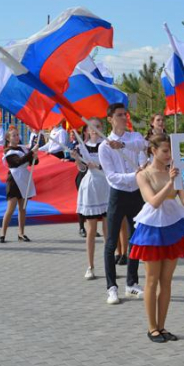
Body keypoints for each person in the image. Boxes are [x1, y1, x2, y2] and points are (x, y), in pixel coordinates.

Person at [129, 134, 184, 342]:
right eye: (165, 151)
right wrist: (170, 182)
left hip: (171, 226)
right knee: (152, 280)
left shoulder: (175, 173)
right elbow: (153, 201)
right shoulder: (143, 174)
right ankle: (152, 327)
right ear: (153, 151)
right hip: (152, 228)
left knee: (166, 281)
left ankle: (162, 326)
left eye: (170, 151)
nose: (169, 155)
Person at [98, 103, 147, 304]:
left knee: (136, 240)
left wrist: (124, 147)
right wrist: (134, 175)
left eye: (124, 114)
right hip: (118, 195)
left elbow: (143, 147)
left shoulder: (133, 138)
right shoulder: (104, 146)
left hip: (135, 194)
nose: (123, 118)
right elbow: (112, 177)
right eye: (118, 115)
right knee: (111, 243)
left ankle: (131, 284)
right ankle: (111, 287)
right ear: (110, 119)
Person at [73, 118, 110, 279]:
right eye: (91, 127)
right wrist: (76, 158)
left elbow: (111, 166)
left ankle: (109, 266)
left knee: (108, 230)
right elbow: (81, 168)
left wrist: (99, 166)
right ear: (87, 130)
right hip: (90, 187)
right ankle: (90, 266)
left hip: (106, 186)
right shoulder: (82, 147)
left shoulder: (107, 145)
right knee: (91, 230)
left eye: (97, 127)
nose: (94, 129)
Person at [0, 129, 38, 243]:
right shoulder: (8, 151)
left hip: (24, 178)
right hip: (14, 180)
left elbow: (33, 162)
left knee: (23, 208)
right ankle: (3, 233)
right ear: (8, 138)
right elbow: (17, 162)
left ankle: (21, 233)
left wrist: (34, 156)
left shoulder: (23, 148)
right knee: (10, 208)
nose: (16, 137)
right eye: (14, 136)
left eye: (17, 135)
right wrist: (31, 153)